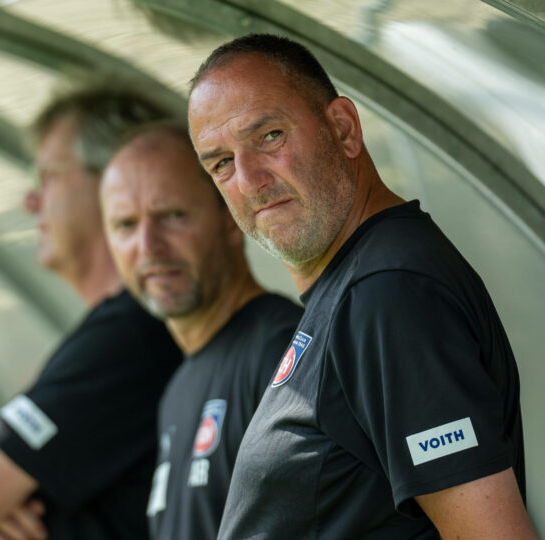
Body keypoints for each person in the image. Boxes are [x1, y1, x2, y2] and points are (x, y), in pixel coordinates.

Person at [187, 33, 536, 539]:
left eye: (269, 136)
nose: (249, 179)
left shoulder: (387, 292)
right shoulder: (358, 283)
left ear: (344, 128)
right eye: (220, 162)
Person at [0, 88, 182, 540]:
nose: (31, 202)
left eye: (48, 177)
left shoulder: (130, 334)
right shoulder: (124, 327)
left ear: (115, 180)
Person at [99, 123, 301, 540]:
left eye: (172, 216)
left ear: (230, 217)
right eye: (125, 225)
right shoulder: (177, 389)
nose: (149, 246)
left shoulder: (283, 351)